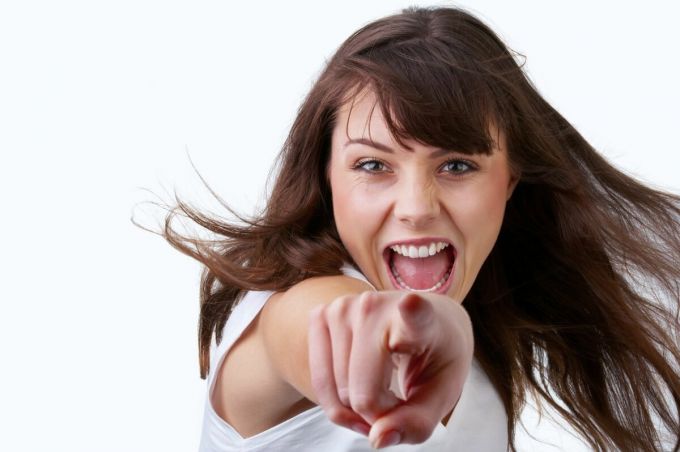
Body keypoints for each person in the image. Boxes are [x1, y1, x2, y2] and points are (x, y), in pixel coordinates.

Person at [160, 6, 680, 451]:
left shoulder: (485, 333)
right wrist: (420, 329)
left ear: (510, 180)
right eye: (372, 165)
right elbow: (334, 325)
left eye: (456, 165)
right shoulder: (287, 309)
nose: (416, 207)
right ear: (326, 175)